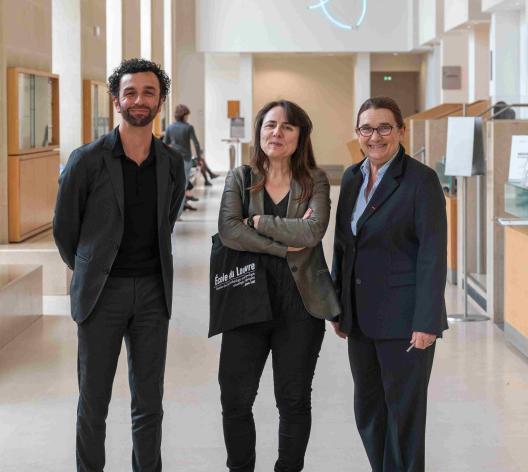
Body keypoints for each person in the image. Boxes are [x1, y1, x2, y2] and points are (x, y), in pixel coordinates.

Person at [53, 58, 186, 472]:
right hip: (101, 294)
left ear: (160, 101)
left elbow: (169, 216)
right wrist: (90, 268)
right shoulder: (86, 160)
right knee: (93, 402)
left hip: (151, 292)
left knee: (149, 403)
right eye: (130, 92)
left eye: (148, 92)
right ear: (116, 101)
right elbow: (65, 229)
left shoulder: (171, 161)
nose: (139, 100)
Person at [217, 100, 340, 472]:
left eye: (287, 127)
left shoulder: (314, 180)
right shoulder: (239, 178)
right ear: (259, 132)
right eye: (270, 125)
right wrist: (285, 243)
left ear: (300, 135)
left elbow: (314, 230)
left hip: (300, 303)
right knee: (236, 398)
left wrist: (256, 220)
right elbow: (228, 231)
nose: (277, 133)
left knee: (293, 399)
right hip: (245, 298)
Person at [331, 96, 448, 472]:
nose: (375, 136)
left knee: (403, 417)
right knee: (368, 410)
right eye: (367, 128)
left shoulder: (420, 180)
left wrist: (427, 320)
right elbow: (342, 245)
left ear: (401, 130)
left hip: (405, 320)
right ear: (358, 133)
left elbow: (433, 253)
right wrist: (337, 304)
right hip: (360, 317)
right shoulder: (351, 177)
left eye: (384, 127)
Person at [163, 104, 203, 210]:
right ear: (184, 115)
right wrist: (199, 158)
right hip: (185, 160)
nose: (187, 118)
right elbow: (196, 144)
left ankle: (173, 212)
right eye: (187, 115)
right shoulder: (189, 127)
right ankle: (178, 213)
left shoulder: (169, 128)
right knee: (182, 186)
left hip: (172, 160)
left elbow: (164, 144)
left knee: (174, 186)